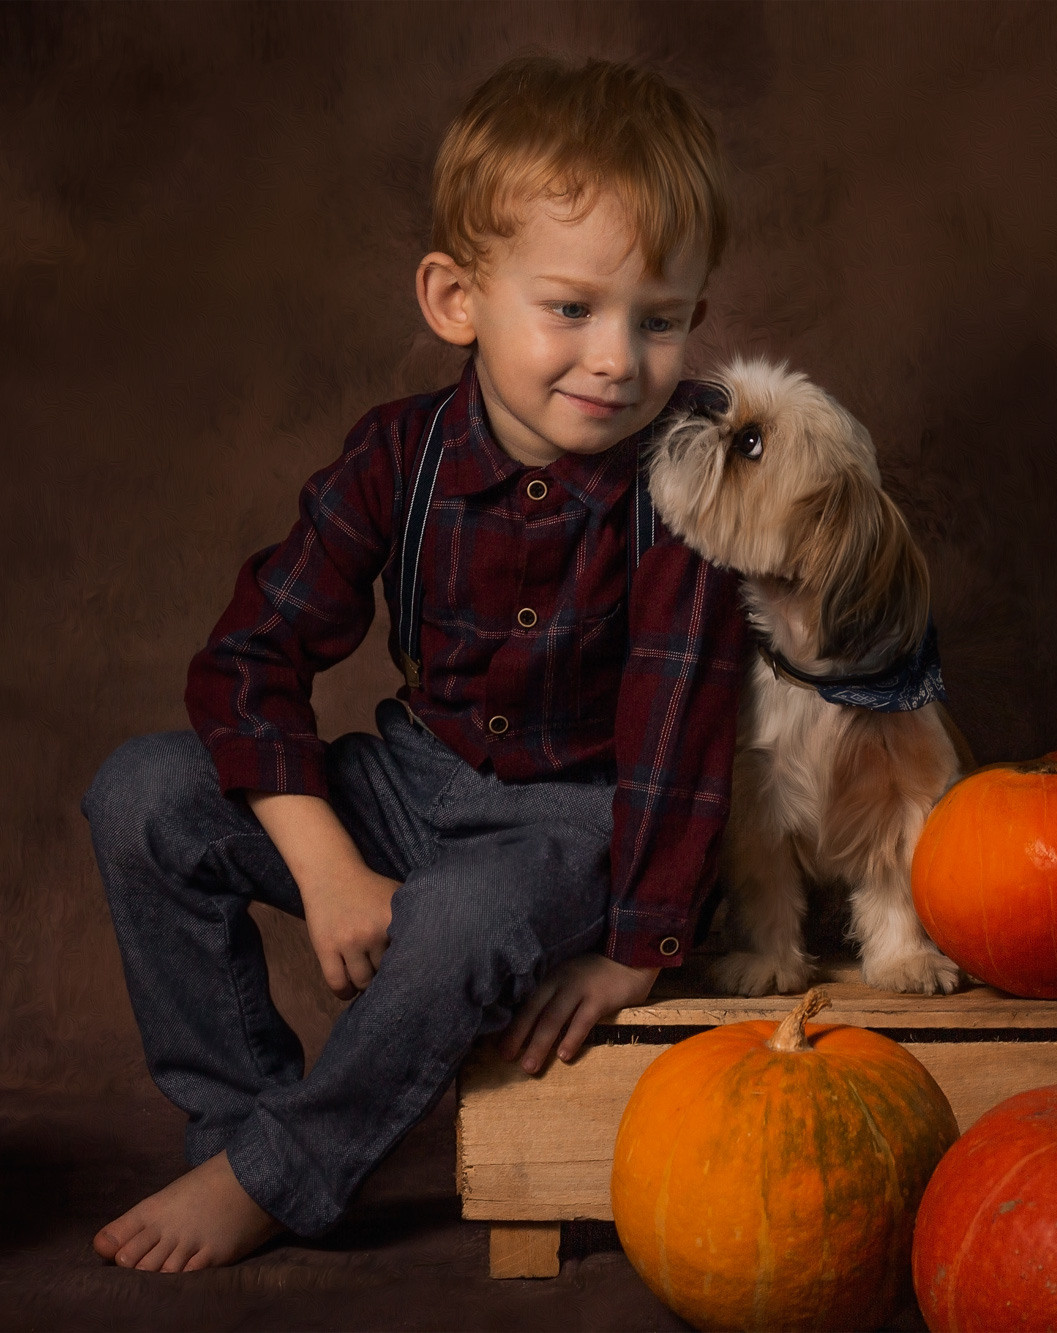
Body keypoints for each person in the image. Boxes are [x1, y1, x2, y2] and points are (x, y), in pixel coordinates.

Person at [81, 54, 746, 1272]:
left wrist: (634, 947)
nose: (615, 359)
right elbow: (250, 656)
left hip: (572, 832)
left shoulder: (686, 477)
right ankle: (238, 1125)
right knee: (141, 792)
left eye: (658, 321)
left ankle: (283, 1175)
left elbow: (683, 731)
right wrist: (329, 860)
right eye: (572, 309)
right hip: (408, 784)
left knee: (463, 917)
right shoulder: (402, 454)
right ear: (456, 298)